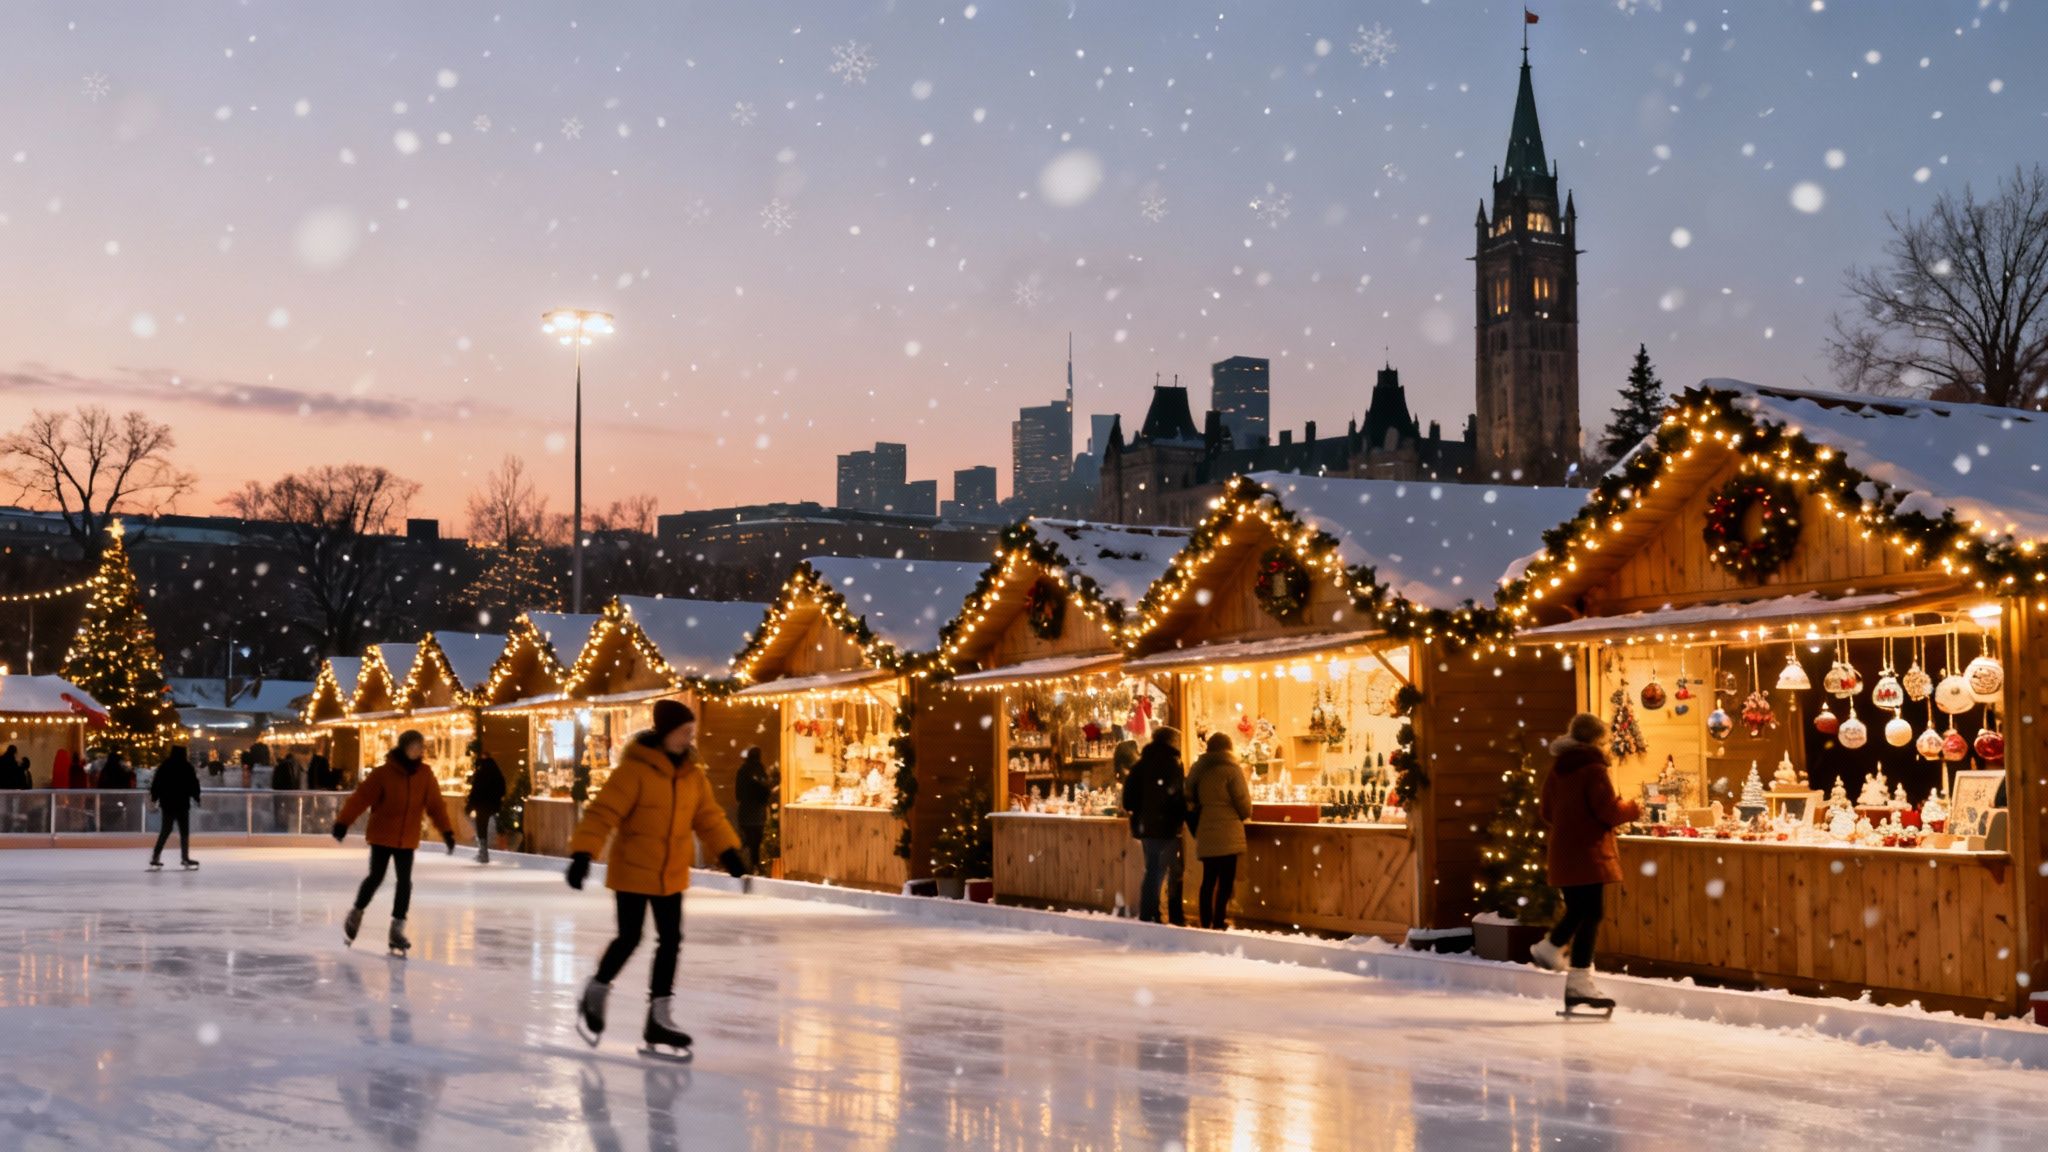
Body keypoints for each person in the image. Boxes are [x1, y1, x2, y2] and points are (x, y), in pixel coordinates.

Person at [565, 699, 747, 1061]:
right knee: (630, 937)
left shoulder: (693, 775)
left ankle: (658, 1018)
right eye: (684, 732)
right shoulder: (635, 771)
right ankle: (597, 990)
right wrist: (583, 853)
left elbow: (708, 817)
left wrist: (728, 851)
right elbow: (603, 813)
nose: (689, 738)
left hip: (671, 874)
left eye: (691, 732)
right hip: (633, 870)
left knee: (671, 941)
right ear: (666, 733)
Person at [1530, 713, 1642, 1012]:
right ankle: (1559, 956)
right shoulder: (1593, 769)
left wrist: (1570, 822)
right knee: (1590, 913)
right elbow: (1608, 811)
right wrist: (1633, 808)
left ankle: (1566, 965)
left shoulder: (1559, 769)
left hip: (1564, 851)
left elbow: (1546, 810)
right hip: (1589, 852)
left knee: (1583, 910)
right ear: (1596, 739)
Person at [332, 730, 456, 956]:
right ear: (403, 748)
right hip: (382, 836)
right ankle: (357, 912)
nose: (418, 751)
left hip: (407, 838)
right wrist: (343, 823)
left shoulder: (425, 774)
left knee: (404, 882)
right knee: (376, 877)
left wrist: (447, 831)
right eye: (414, 746)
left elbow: (436, 806)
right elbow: (361, 799)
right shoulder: (384, 774)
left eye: (420, 746)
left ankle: (397, 928)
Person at [1185, 732, 1252, 931]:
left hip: (1206, 829)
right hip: (1228, 831)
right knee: (1225, 881)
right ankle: (1219, 920)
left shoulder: (1198, 769)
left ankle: (1205, 921)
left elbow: (1189, 798)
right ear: (1228, 748)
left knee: (1208, 879)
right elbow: (1243, 802)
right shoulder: (1232, 770)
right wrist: (1243, 814)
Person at [1120, 727, 1187, 926]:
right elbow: (1177, 797)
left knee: (1153, 869)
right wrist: (1182, 818)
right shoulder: (1172, 765)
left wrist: (1142, 814)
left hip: (1146, 828)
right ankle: (1163, 914)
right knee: (1170, 871)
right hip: (1167, 827)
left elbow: (1128, 800)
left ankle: (1150, 912)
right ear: (1171, 742)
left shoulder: (1141, 765)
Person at [148, 746, 203, 870]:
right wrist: (196, 797)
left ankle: (155, 857)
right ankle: (185, 857)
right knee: (184, 831)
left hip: (167, 803)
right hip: (182, 803)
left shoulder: (165, 766)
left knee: (165, 830)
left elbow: (157, 782)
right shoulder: (186, 767)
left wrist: (155, 796)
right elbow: (193, 783)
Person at [733, 746, 774, 874]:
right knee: (756, 842)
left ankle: (743, 866)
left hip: (745, 813)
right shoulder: (761, 770)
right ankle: (755, 865)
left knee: (746, 841)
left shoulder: (742, 770)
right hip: (758, 813)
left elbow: (738, 795)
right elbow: (767, 792)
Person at [464, 744, 506, 865]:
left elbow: (476, 790)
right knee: (488, 826)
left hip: (481, 806)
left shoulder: (481, 773)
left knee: (481, 828)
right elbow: (502, 789)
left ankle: (483, 853)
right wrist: (497, 800)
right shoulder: (497, 772)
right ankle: (484, 852)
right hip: (492, 806)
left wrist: (471, 804)